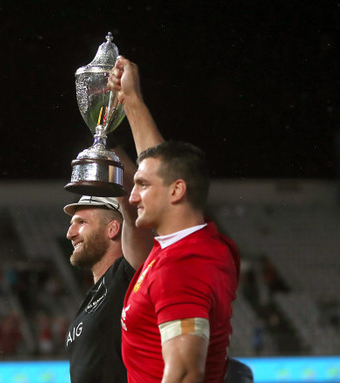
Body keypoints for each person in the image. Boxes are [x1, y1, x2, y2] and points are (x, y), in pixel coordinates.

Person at [108, 56, 244, 383]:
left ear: (176, 192)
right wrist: (131, 101)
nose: (134, 195)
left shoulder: (184, 266)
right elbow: (163, 168)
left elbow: (184, 374)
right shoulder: (194, 243)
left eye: (141, 186)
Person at [63, 195, 150, 383]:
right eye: (72, 224)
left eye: (81, 222)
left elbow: (134, 220)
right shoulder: (90, 299)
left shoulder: (130, 274)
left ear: (112, 228)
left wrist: (117, 173)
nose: (70, 233)